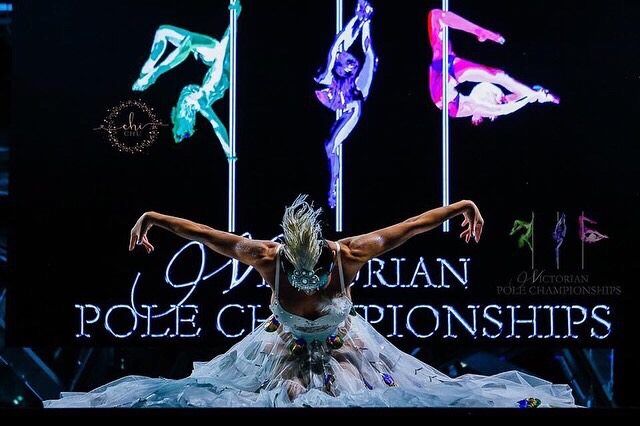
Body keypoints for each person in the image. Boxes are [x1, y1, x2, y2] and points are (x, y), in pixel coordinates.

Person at [44, 195, 576, 407]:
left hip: (348, 352)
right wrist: (153, 217)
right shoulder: (267, 258)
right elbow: (205, 234)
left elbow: (412, 227)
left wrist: (465, 205)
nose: (304, 284)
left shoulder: (350, 254)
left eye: (311, 277)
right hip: (286, 353)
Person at [132, 0, 242, 157]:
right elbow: (217, 125)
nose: (183, 101)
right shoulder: (201, 101)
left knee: (162, 32)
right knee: (191, 43)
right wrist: (233, 19)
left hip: (212, 56)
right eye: (184, 107)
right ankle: (153, 75)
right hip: (220, 58)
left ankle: (147, 70)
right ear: (189, 115)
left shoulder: (193, 98)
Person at [428, 9, 559, 126]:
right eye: (479, 120)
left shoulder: (469, 105)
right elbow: (502, 109)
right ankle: (539, 95)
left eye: (475, 121)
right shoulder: (477, 107)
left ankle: (480, 32)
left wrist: (479, 31)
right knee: (500, 76)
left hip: (442, 76)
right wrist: (531, 97)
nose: (476, 120)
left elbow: (501, 109)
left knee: (436, 16)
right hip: (449, 75)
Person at [315, 0, 377, 208]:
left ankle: (332, 190)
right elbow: (336, 47)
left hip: (352, 105)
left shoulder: (358, 82)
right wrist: (358, 20)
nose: (347, 59)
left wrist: (363, 22)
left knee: (330, 146)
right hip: (338, 99)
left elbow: (364, 50)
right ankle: (331, 189)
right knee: (328, 147)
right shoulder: (328, 76)